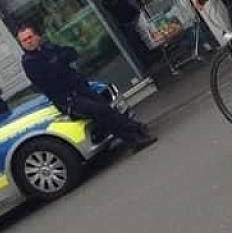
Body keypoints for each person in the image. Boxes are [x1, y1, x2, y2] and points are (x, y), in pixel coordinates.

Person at [17, 24, 156, 150]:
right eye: (24, 40)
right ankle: (134, 136)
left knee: (106, 108)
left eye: (30, 37)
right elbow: (53, 76)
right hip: (68, 99)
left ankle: (135, 130)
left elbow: (71, 53)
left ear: (37, 36)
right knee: (100, 111)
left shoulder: (48, 48)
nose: (28, 42)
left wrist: (57, 61)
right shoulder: (30, 62)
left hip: (80, 88)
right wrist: (58, 61)